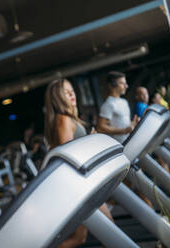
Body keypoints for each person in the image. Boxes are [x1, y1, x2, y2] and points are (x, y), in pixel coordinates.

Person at [44, 78, 113, 248]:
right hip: (75, 187)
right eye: (65, 92)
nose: (71, 94)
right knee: (108, 230)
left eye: (72, 90)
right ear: (57, 98)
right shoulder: (63, 120)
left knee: (80, 238)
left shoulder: (70, 119)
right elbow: (69, 156)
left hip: (80, 185)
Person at [97, 71, 138, 143]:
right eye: (122, 83)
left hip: (130, 141)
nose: (126, 86)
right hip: (120, 145)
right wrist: (123, 131)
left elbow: (124, 125)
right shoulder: (108, 104)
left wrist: (133, 124)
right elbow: (101, 127)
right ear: (112, 85)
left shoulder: (124, 102)